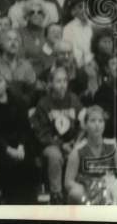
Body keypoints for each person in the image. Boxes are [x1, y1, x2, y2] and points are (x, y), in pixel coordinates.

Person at [65, 105, 117, 204]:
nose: (97, 125)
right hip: (88, 191)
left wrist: (116, 187)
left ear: (104, 124)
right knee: (75, 193)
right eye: (92, 121)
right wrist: (79, 187)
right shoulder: (77, 151)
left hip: (111, 190)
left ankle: (112, 204)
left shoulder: (113, 148)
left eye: (100, 121)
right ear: (85, 125)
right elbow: (68, 182)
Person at [0, 71, 36, 204]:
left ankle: (30, 204)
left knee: (28, 162)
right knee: (10, 165)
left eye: (0, 81)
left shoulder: (18, 102)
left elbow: (24, 127)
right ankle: (12, 203)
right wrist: (8, 149)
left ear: (6, 84)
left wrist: (21, 146)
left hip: (19, 144)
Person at [30, 67, 83, 204]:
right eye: (58, 81)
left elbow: (82, 124)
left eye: (65, 80)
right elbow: (41, 133)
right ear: (50, 83)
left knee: (79, 151)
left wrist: (76, 142)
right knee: (55, 155)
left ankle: (78, 190)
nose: (62, 84)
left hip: (72, 142)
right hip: (51, 144)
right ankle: (56, 193)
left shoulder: (74, 100)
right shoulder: (43, 104)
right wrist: (60, 145)